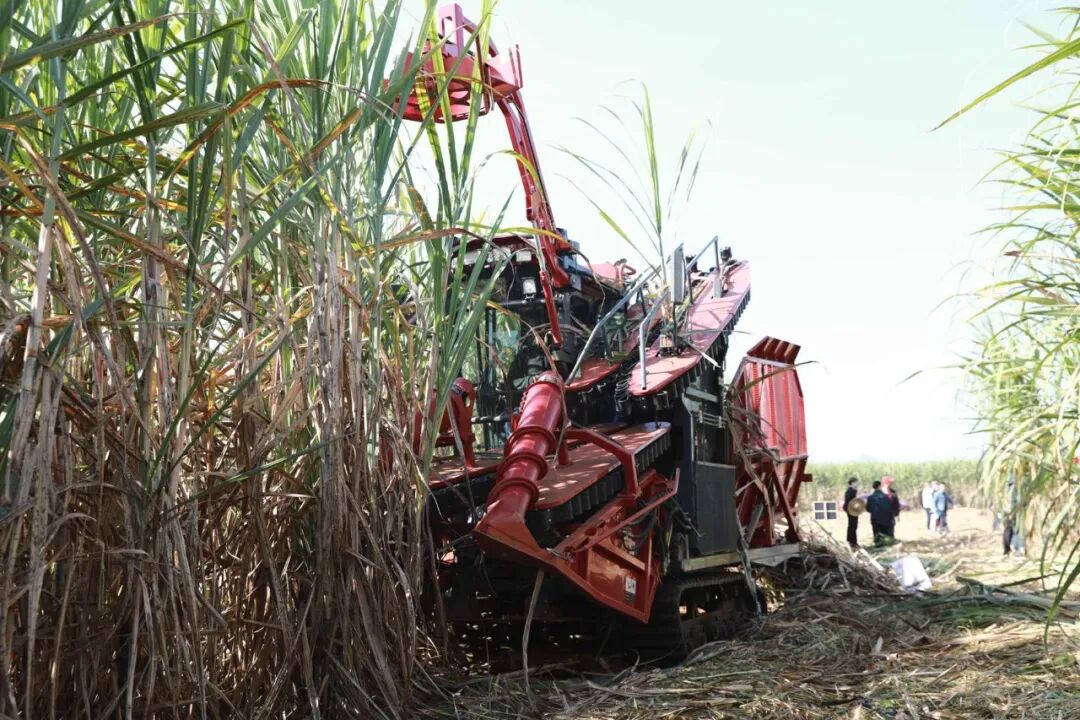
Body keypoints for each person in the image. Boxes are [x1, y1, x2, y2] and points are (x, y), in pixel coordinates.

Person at [865, 480, 896, 546]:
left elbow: (868, 508)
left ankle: (878, 545)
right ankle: (887, 545)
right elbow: (890, 507)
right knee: (886, 535)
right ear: (879, 486)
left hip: (875, 519)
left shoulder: (870, 497)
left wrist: (874, 511)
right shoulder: (886, 496)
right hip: (887, 519)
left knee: (877, 535)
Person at [843, 476, 860, 549]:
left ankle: (852, 541)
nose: (858, 484)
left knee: (853, 525)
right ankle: (852, 542)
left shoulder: (852, 490)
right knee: (852, 525)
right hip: (851, 510)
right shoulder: (850, 491)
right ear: (852, 483)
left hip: (852, 509)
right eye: (856, 482)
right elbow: (850, 502)